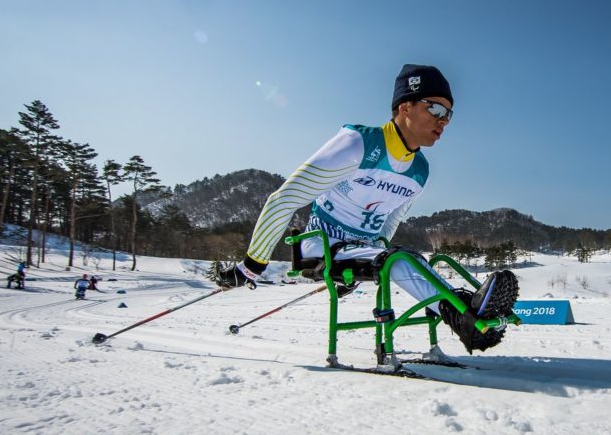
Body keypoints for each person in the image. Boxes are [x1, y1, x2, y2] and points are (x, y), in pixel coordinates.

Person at [216, 64, 519, 353]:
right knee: (401, 259)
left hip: (362, 249)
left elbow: (390, 221)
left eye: (449, 115)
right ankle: (464, 318)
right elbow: (284, 199)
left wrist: (373, 257)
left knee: (403, 257)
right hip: (322, 245)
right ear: (405, 107)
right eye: (436, 109)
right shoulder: (357, 144)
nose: (443, 121)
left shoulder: (419, 171)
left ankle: (468, 309)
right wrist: (252, 265)